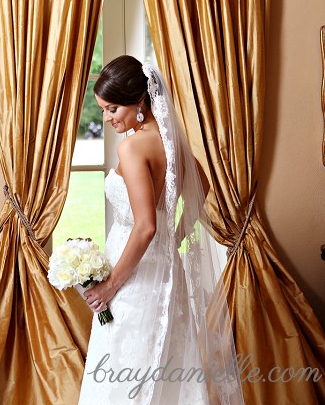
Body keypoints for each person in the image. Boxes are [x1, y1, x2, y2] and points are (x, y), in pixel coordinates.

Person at [76, 55, 243, 404]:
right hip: (166, 270)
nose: (106, 119)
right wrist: (177, 236)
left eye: (112, 109)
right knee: (167, 358)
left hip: (134, 276)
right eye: (104, 110)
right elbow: (204, 185)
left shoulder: (133, 146)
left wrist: (109, 286)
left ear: (139, 101)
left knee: (125, 366)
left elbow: (146, 227)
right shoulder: (171, 143)